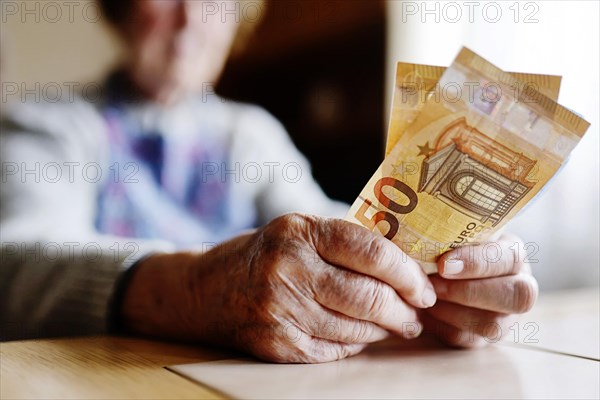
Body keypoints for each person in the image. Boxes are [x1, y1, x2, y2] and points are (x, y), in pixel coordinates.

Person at [0, 0, 538, 363]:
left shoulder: (249, 134)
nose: (190, 18)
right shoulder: (49, 123)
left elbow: (330, 230)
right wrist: (193, 287)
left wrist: (441, 268)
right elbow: (14, 262)